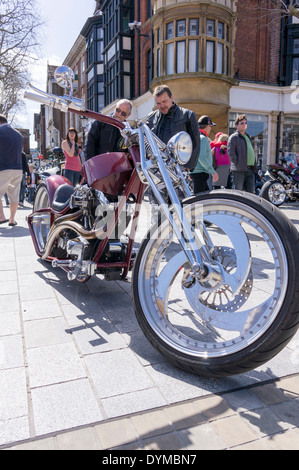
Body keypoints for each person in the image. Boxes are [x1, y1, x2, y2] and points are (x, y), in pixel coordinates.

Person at [146, 85, 200, 171]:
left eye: (164, 101)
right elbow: (146, 141)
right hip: (155, 166)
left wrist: (188, 167)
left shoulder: (187, 115)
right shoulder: (151, 118)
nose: (162, 105)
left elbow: (195, 142)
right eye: (158, 103)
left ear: (171, 98)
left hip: (179, 167)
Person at [0, 114, 23, 226]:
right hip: (18, 169)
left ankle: (1, 217)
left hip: (3, 168)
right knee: (14, 196)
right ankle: (12, 220)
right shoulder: (18, 134)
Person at [227, 114, 256, 193]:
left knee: (250, 193)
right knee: (238, 193)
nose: (244, 125)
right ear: (236, 126)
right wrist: (238, 164)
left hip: (250, 169)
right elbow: (230, 153)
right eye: (241, 123)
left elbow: (251, 151)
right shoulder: (233, 137)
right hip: (239, 170)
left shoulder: (248, 136)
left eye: (245, 123)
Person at [190, 115, 219, 194]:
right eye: (210, 126)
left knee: (204, 199)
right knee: (199, 201)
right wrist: (213, 172)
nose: (210, 129)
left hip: (197, 173)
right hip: (200, 174)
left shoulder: (196, 137)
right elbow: (202, 157)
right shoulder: (202, 139)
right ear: (207, 127)